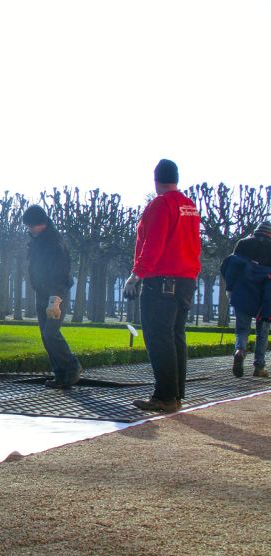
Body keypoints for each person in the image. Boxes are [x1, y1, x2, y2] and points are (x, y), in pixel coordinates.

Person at [122, 159, 201, 412]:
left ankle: (165, 396)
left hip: (163, 279)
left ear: (155, 180)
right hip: (186, 279)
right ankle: (175, 394)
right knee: (176, 336)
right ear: (176, 178)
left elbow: (153, 243)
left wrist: (136, 275)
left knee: (158, 337)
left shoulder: (161, 204)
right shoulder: (189, 206)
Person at [22, 204, 82, 389]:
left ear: (40, 223)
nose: (30, 229)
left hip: (55, 294)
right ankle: (61, 375)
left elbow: (60, 272)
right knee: (46, 336)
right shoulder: (39, 239)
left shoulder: (54, 242)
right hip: (42, 293)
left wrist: (55, 299)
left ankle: (72, 367)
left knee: (51, 333)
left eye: (31, 226)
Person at [220, 221, 271, 378]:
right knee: (262, 332)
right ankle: (259, 367)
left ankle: (239, 350)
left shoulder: (243, 243)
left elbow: (230, 269)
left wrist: (230, 289)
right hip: (264, 297)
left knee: (242, 329)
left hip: (242, 293)